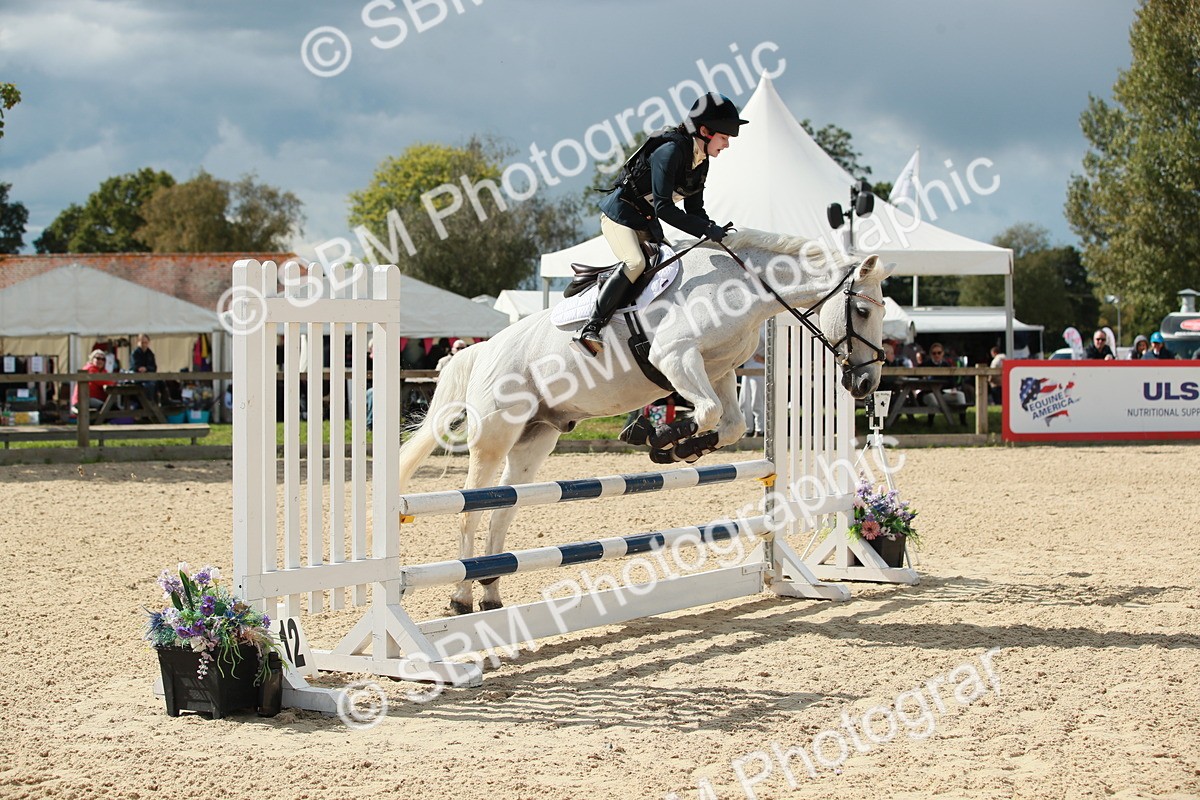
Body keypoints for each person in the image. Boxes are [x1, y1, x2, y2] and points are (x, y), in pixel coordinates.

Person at [574, 92, 748, 356]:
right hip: (620, 215)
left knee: (670, 270)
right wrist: (703, 229)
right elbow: (664, 208)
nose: (727, 145)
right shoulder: (669, 152)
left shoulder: (701, 161)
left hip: (645, 220)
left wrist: (713, 229)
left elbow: (694, 209)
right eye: (724, 138)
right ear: (704, 131)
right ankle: (591, 327)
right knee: (636, 263)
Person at [738, 324, 766, 437]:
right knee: (744, 402)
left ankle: (760, 429)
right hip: (747, 368)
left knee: (757, 400)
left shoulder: (765, 327)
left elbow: (776, 348)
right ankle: (748, 429)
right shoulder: (747, 327)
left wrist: (765, 359)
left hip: (759, 367)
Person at [131, 333, 163, 403]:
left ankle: (165, 401)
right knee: (150, 384)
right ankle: (149, 403)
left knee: (161, 382)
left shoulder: (150, 353)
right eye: (142, 342)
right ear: (138, 342)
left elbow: (154, 367)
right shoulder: (135, 353)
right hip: (138, 379)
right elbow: (135, 367)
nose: (144, 344)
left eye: (146, 342)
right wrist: (142, 369)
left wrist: (146, 368)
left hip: (148, 377)